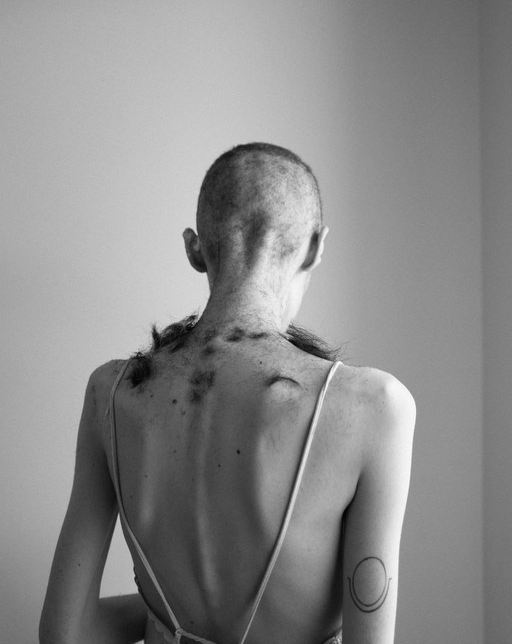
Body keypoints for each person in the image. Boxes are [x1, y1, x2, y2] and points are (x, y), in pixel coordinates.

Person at [40, 142, 416, 644]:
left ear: (195, 249)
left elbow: (64, 634)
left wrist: (161, 617)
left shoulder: (111, 393)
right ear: (315, 247)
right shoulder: (374, 405)